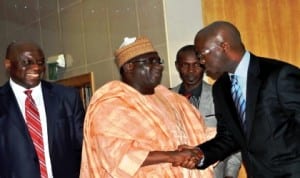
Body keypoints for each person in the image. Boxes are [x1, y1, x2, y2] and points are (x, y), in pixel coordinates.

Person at [179, 21, 300, 178]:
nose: (201, 62)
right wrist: (201, 153)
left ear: (224, 47)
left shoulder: (279, 76)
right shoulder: (220, 88)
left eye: (202, 55)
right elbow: (229, 137)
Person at [80, 37, 214, 178]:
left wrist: (202, 151)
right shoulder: (111, 104)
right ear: (128, 66)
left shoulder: (173, 100)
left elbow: (202, 133)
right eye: (150, 61)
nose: (158, 66)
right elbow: (117, 155)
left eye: (158, 61)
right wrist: (172, 156)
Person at [0, 41, 85, 178]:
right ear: (8, 65)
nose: (36, 68)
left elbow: (83, 148)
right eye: (26, 63)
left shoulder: (67, 98)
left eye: (40, 63)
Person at [172, 45, 241, 178]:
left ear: (203, 65)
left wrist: (230, 174)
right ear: (177, 66)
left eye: (196, 65)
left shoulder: (220, 96)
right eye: (185, 65)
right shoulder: (166, 98)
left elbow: (233, 138)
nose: (191, 70)